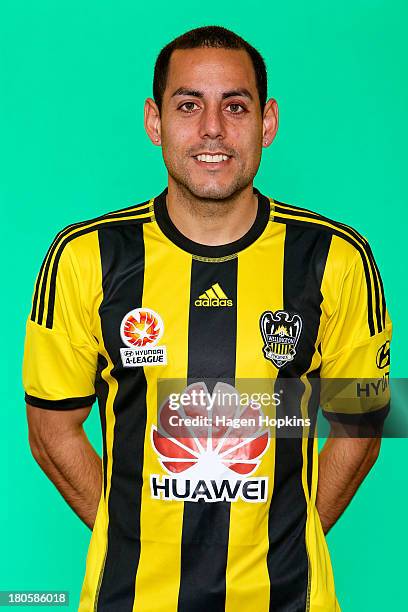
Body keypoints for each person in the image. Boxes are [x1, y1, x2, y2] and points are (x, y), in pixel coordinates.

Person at [23, 25, 392, 612]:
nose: (213, 129)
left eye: (235, 106)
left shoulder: (337, 259)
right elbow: (49, 432)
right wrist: (136, 536)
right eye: (188, 105)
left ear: (267, 122)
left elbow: (363, 425)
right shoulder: (84, 256)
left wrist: (287, 542)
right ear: (155, 121)